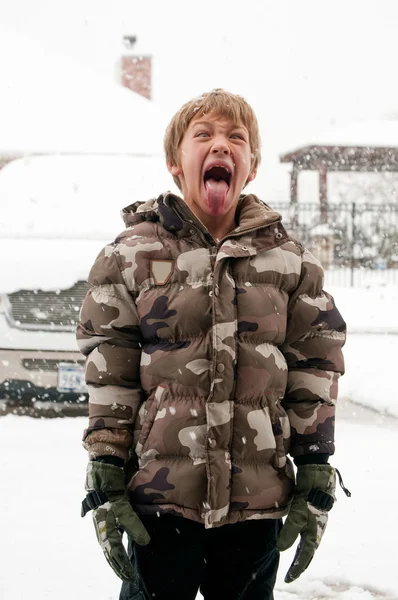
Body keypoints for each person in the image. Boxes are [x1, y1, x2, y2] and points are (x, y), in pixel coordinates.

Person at [77, 89, 349, 600]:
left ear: (251, 167)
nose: (220, 145)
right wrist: (107, 468)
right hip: (160, 503)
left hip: (257, 501)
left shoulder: (289, 261)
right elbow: (108, 368)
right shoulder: (131, 254)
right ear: (175, 164)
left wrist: (315, 463)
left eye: (235, 138)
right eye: (203, 135)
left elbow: (317, 360)